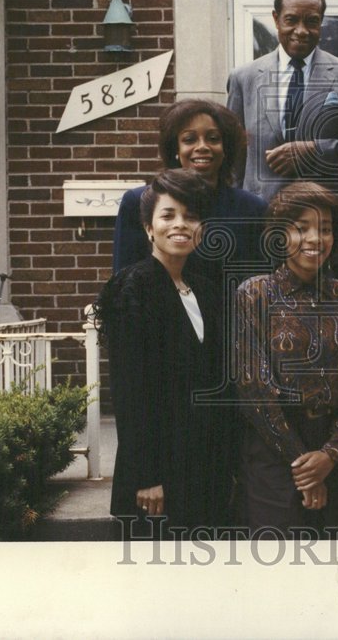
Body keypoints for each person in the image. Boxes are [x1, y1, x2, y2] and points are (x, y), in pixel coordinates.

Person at [234, 182, 338, 538]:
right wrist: (305, 469)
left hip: (337, 456)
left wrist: (330, 456)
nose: (316, 238)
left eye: (325, 229)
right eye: (302, 228)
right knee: (282, 577)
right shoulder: (254, 295)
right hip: (274, 455)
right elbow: (254, 390)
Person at [95, 169, 236, 534]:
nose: (180, 225)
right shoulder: (132, 287)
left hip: (206, 469)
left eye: (191, 217)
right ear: (148, 227)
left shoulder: (205, 290)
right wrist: (146, 476)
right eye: (168, 215)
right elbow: (129, 391)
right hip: (155, 479)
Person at [226, 0, 338, 285]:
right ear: (275, 19)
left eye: (312, 21)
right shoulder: (244, 78)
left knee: (336, 328)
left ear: (321, 22)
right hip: (264, 235)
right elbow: (232, 162)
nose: (301, 30)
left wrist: (314, 149)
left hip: (333, 239)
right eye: (291, 20)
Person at [112, 99, 267, 290]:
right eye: (189, 139)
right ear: (175, 149)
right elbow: (122, 282)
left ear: (225, 148)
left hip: (231, 318)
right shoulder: (138, 202)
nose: (202, 146)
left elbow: (259, 285)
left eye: (213, 138)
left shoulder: (252, 208)